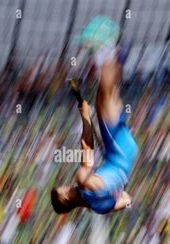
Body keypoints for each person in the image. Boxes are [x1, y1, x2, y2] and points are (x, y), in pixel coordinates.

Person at [51, 19, 138, 214]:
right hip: (118, 152)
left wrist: (116, 184)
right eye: (63, 188)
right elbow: (87, 147)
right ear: (65, 196)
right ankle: (108, 48)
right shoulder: (81, 180)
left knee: (107, 99)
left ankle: (113, 54)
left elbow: (126, 199)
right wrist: (85, 118)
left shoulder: (98, 208)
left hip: (124, 157)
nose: (66, 186)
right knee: (105, 101)